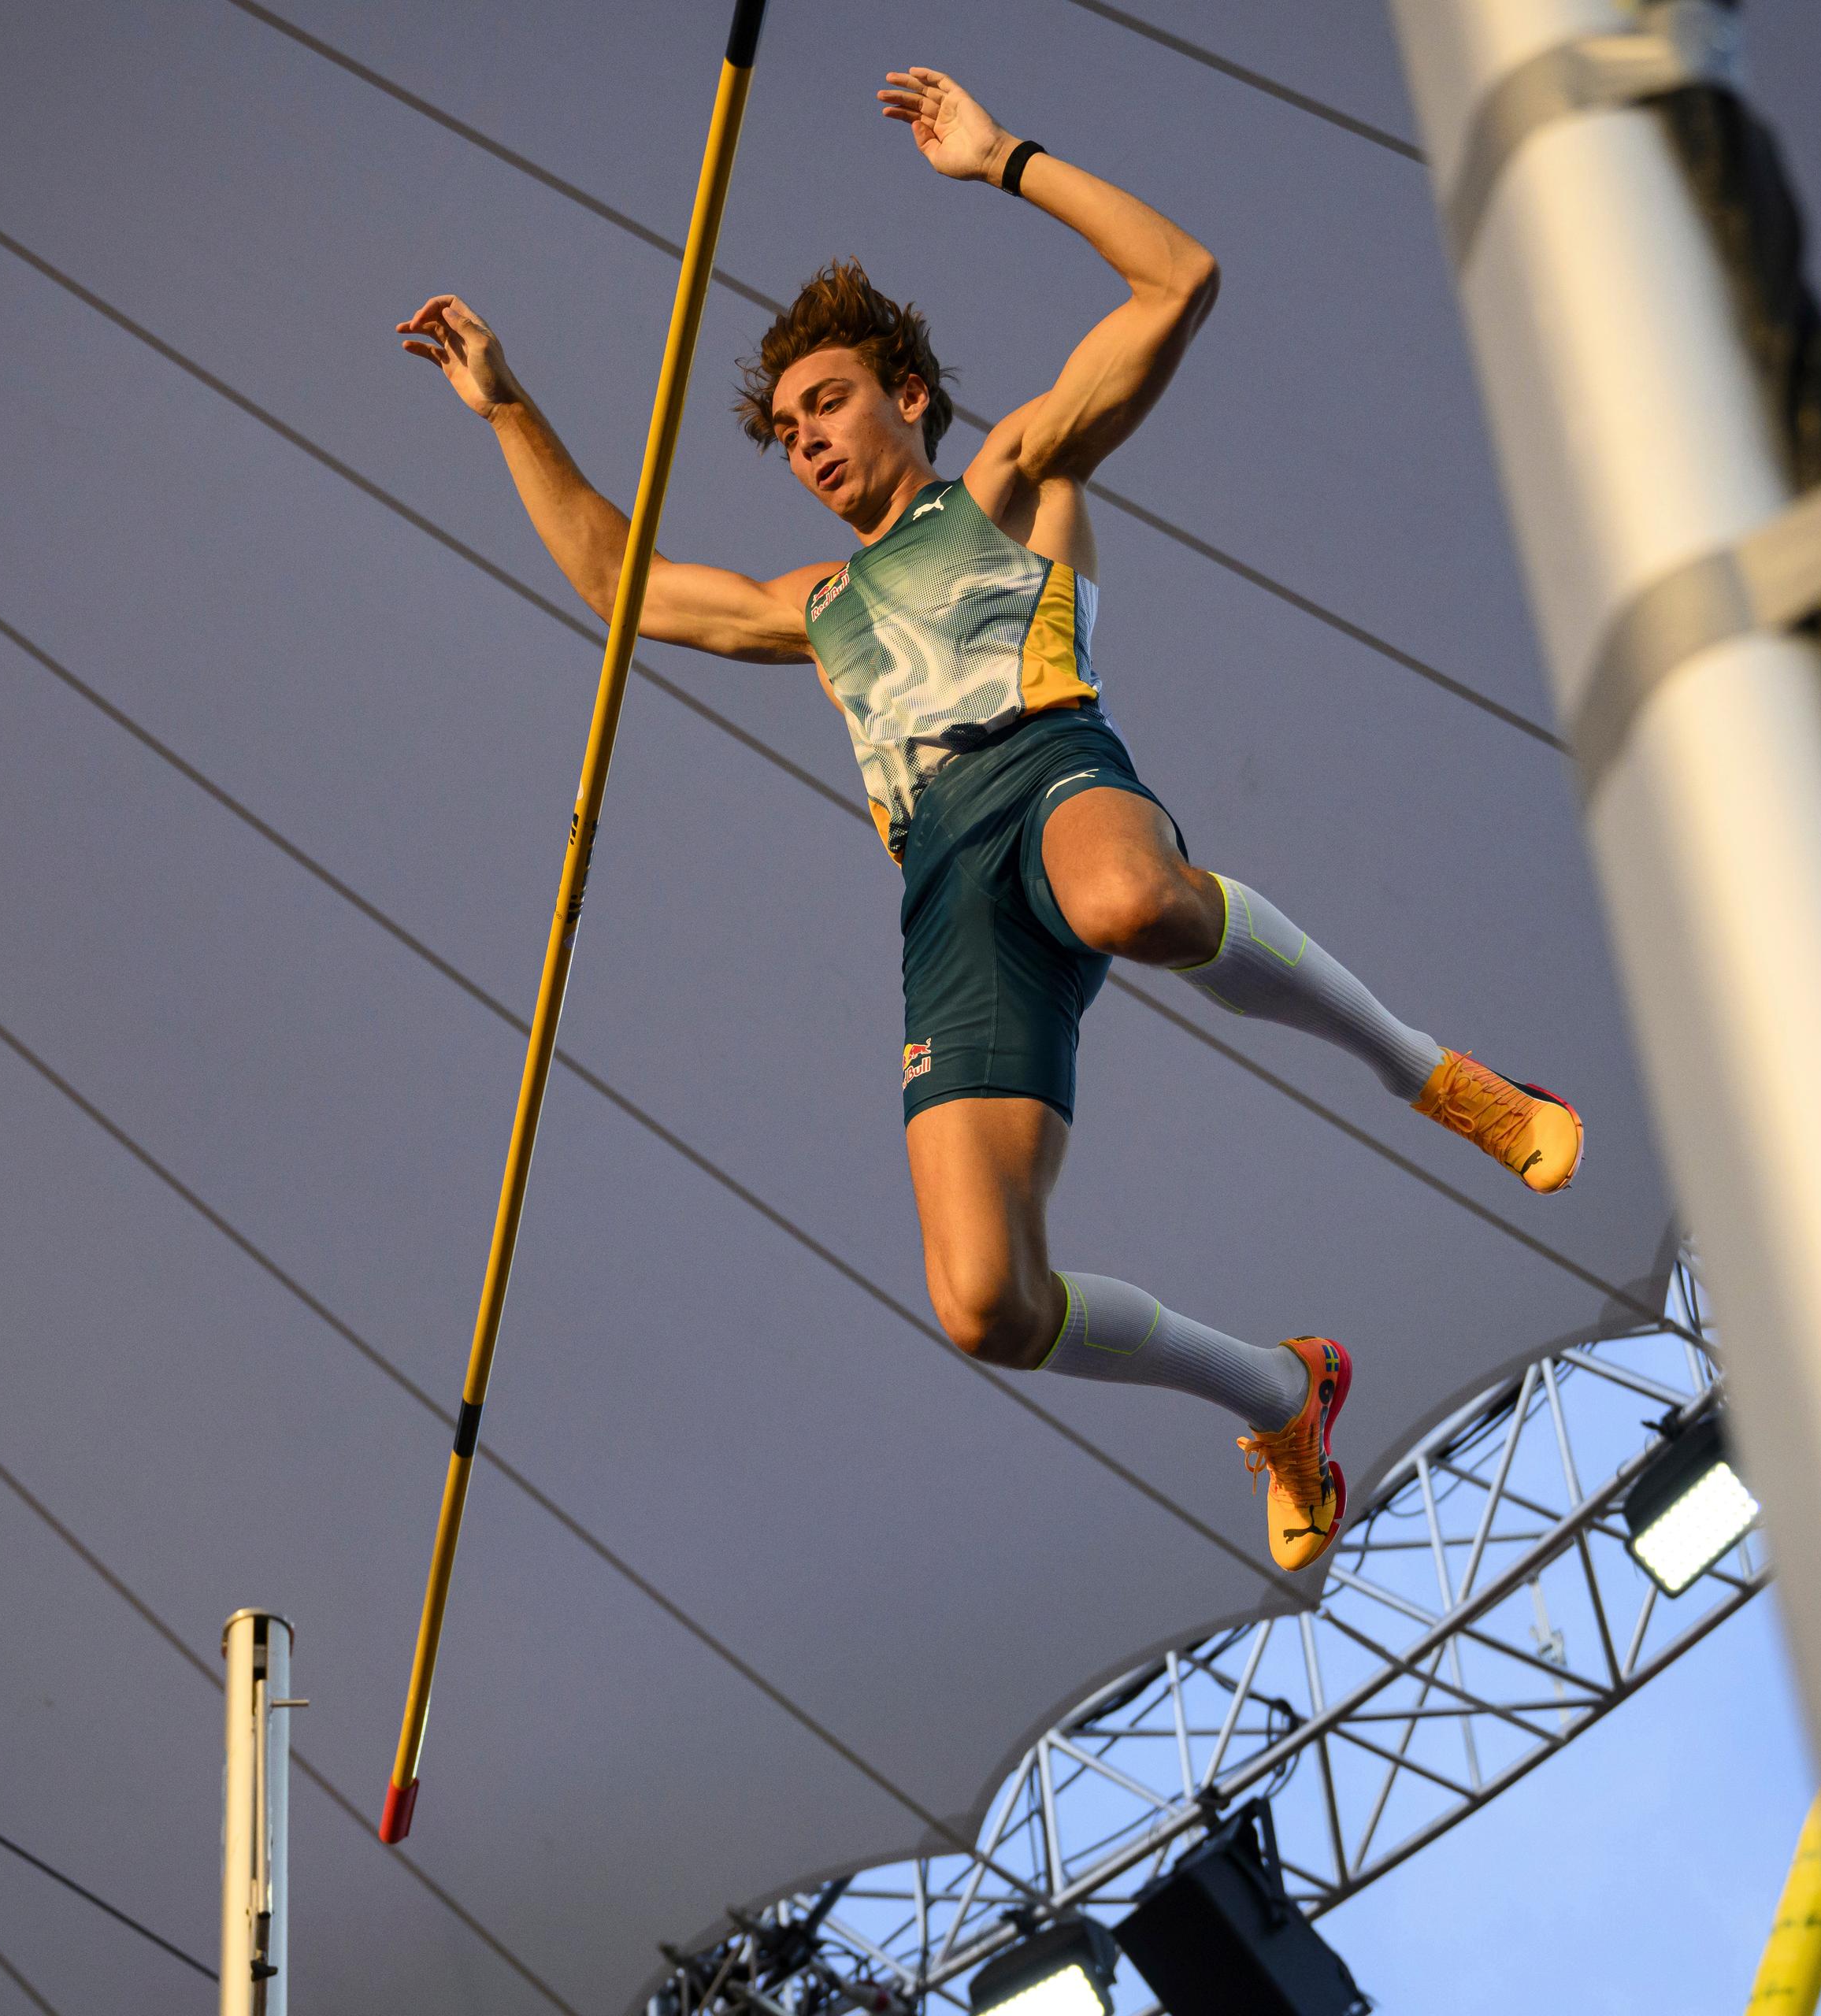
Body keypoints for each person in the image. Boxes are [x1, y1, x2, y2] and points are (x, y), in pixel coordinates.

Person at [397, 67, 1581, 1571]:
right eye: (788, 431)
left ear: (910, 398)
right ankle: (1285, 1394)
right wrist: (510, 412)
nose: (809, 439)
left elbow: (1181, 279)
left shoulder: (1014, 479)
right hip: (944, 897)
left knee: (1128, 903)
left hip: (1049, 775)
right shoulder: (807, 606)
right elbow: (612, 579)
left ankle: (1434, 1075)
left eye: (829, 403)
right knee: (985, 1306)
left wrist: (1005, 159)